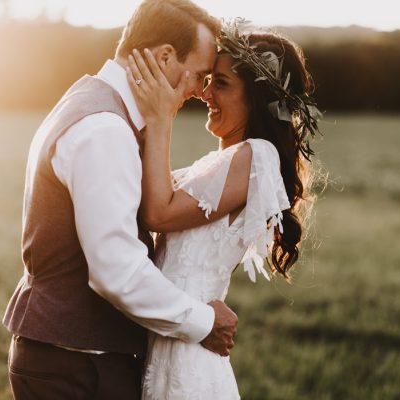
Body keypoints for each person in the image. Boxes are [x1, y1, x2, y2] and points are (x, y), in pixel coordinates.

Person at [2, 1, 239, 399]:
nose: (200, 91)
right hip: (78, 367)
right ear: (165, 57)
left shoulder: (91, 101)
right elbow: (115, 269)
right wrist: (203, 321)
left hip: (72, 358)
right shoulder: (105, 129)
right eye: (198, 75)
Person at [126, 21, 320, 399]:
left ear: (258, 100)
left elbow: (158, 213)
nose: (205, 92)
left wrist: (161, 115)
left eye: (221, 83)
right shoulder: (220, 163)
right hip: (172, 335)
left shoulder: (255, 155)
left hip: (188, 355)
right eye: (209, 79)